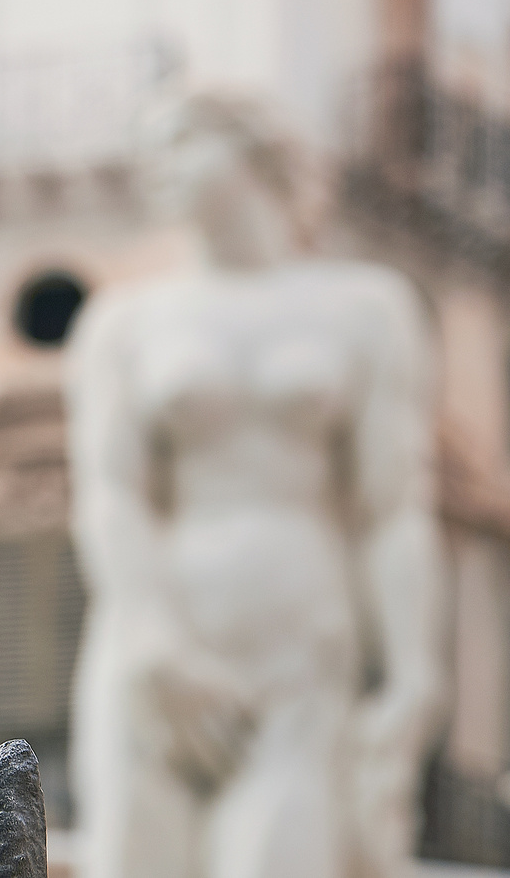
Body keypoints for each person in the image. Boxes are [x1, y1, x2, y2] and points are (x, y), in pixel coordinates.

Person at [68, 91, 440, 878]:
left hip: (298, 650)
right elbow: (111, 495)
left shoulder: (366, 308)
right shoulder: (123, 323)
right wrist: (150, 633)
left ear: (254, 151)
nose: (157, 169)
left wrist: (414, 670)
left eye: (182, 143)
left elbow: (393, 507)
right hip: (156, 651)